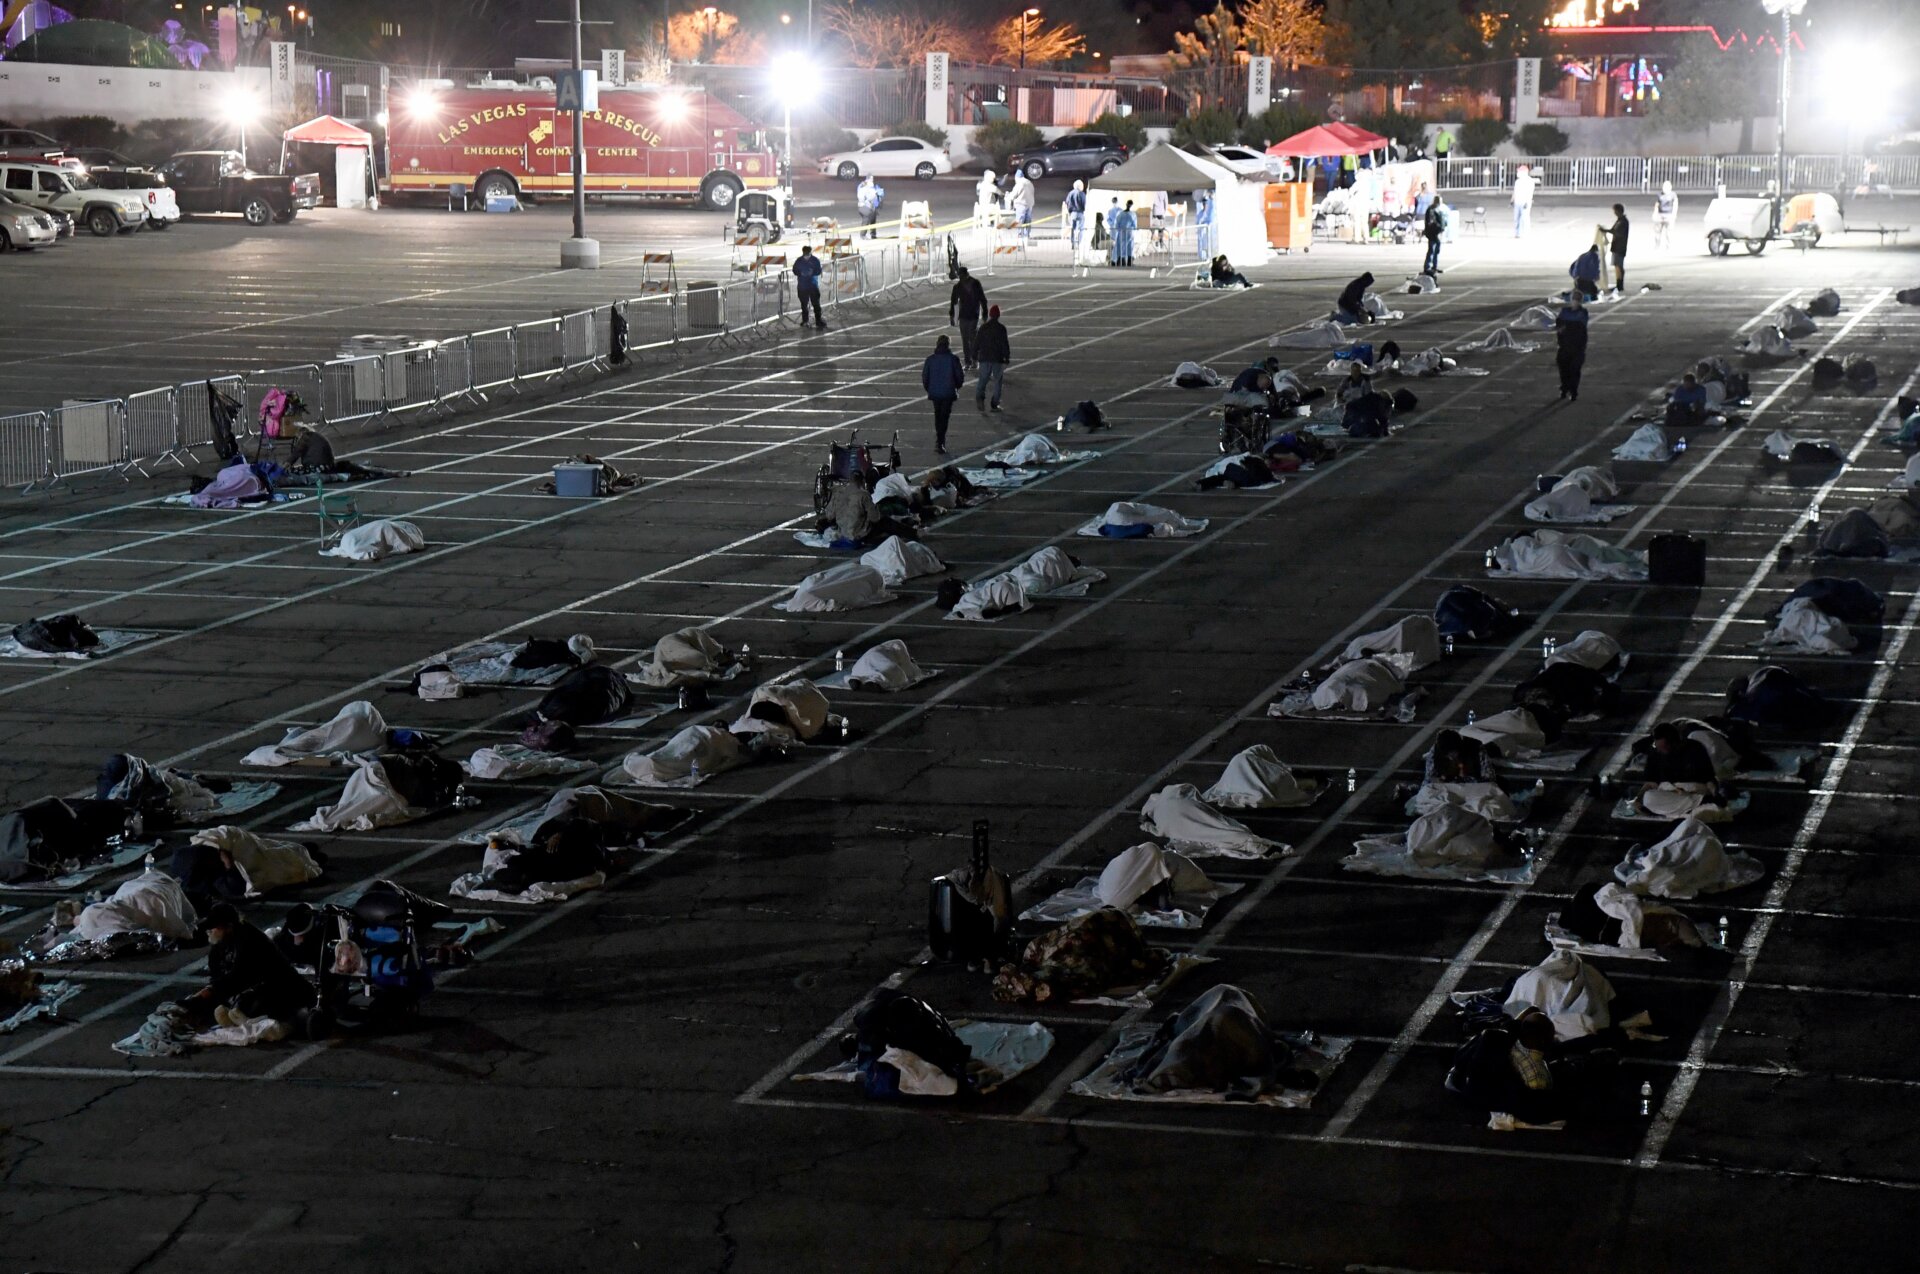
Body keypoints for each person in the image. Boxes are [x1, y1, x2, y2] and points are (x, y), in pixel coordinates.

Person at [188, 901, 315, 1029]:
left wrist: (211, 991)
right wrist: (209, 991)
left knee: (253, 1006)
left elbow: (239, 978)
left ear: (229, 927)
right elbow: (217, 973)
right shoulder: (221, 942)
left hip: (278, 986)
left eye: (215, 928)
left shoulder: (250, 941)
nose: (210, 931)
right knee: (205, 1005)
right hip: (248, 986)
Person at [921, 335, 965, 455]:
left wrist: (929, 388)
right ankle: (941, 441)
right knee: (944, 417)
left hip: (935, 392)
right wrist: (956, 387)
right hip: (948, 392)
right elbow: (959, 376)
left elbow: (925, 377)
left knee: (938, 415)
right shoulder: (953, 359)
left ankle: (939, 440)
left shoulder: (930, 359)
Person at [948, 265, 988, 368]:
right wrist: (952, 316)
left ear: (966, 275)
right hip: (963, 316)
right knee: (965, 340)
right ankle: (967, 361)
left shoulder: (975, 284)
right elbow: (953, 302)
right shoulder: (957, 287)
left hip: (973, 315)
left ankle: (974, 359)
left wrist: (984, 313)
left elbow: (982, 298)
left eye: (961, 276)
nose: (960, 279)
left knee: (972, 338)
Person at [974, 304, 1010, 413]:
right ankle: (994, 404)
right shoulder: (1001, 328)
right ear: (998, 315)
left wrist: (974, 355)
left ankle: (980, 397)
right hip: (997, 358)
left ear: (990, 315)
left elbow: (977, 342)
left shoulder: (983, 327)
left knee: (983, 379)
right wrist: (1006, 357)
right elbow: (1005, 344)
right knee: (998, 381)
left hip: (984, 357)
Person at [1555, 293, 1589, 402]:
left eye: (1577, 300)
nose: (1575, 302)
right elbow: (1559, 324)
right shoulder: (1565, 311)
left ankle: (1573, 392)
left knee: (1574, 370)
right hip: (1565, 345)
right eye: (1574, 299)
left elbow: (1579, 324)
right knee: (1564, 369)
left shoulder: (1582, 312)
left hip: (1577, 346)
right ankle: (1564, 389)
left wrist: (1564, 327)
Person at [793, 243, 825, 329]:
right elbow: (795, 270)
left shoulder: (814, 260)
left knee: (815, 304)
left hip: (812, 285)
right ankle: (806, 320)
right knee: (804, 304)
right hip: (803, 286)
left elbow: (818, 271)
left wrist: (812, 272)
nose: (807, 255)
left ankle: (817, 320)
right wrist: (801, 273)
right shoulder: (799, 261)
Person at [1601, 203, 1629, 297]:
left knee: (1618, 266)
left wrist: (1605, 231)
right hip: (1617, 246)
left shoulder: (1623, 222)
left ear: (1619, 211)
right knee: (1617, 266)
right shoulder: (1620, 220)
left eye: (1615, 211)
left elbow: (1616, 232)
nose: (1614, 213)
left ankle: (1620, 284)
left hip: (1619, 247)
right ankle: (1619, 284)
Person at [1422, 193, 1446, 277]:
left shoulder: (1437, 209)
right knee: (1432, 250)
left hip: (1436, 232)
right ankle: (1427, 267)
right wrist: (1439, 227)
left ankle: (1434, 267)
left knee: (1436, 250)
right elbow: (1432, 222)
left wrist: (1443, 226)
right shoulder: (1432, 210)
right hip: (1432, 233)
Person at [1007, 168, 1036, 238]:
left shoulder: (1019, 184)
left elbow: (1013, 195)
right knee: (1028, 220)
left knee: (1020, 220)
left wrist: (1008, 196)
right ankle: (1027, 234)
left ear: (1017, 177)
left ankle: (1020, 234)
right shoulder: (1029, 182)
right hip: (1030, 204)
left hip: (1021, 204)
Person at [1511, 163, 1538, 237]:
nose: (1518, 173)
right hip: (1517, 202)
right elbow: (1515, 191)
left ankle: (1526, 233)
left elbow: (1530, 193)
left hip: (1525, 202)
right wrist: (1512, 200)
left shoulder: (1529, 181)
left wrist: (1527, 202)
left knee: (1525, 218)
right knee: (1516, 218)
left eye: (1519, 171)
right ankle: (1517, 233)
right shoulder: (1518, 181)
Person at [1109, 199, 1137, 267]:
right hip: (1130, 233)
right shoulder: (1133, 214)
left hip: (1121, 233)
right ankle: (1129, 262)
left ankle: (1122, 262)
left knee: (1121, 248)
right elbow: (1135, 226)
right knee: (1130, 248)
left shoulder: (1120, 214)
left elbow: (1117, 225)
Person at [1652, 180, 1678, 251]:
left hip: (1669, 215)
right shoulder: (1659, 194)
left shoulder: (1673, 195)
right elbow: (1657, 204)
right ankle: (1657, 246)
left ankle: (1668, 247)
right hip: (1660, 215)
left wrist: (1674, 214)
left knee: (1669, 233)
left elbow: (1675, 205)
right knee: (1657, 232)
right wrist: (1655, 213)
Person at [856, 174, 885, 239]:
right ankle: (862, 235)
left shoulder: (873, 186)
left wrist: (878, 193)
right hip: (864, 207)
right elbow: (866, 197)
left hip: (871, 207)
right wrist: (875, 193)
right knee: (866, 219)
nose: (872, 180)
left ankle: (873, 234)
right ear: (867, 179)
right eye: (871, 179)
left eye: (872, 179)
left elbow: (880, 194)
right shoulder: (862, 187)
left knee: (873, 219)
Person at [1064, 179, 1087, 250]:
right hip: (1080, 213)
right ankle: (1079, 243)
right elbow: (1084, 204)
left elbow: (1067, 202)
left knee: (1073, 229)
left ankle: (1073, 243)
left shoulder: (1070, 193)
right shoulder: (1082, 194)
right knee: (1081, 229)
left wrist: (1069, 211)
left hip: (1073, 213)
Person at [1194, 188, 1216, 260]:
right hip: (1202, 235)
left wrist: (1211, 199)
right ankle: (1202, 257)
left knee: (1208, 246)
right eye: (1204, 204)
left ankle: (1208, 257)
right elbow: (1197, 222)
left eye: (1205, 204)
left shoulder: (1209, 214)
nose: (1204, 205)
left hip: (1208, 236)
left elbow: (1211, 209)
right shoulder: (1200, 214)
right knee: (1202, 246)